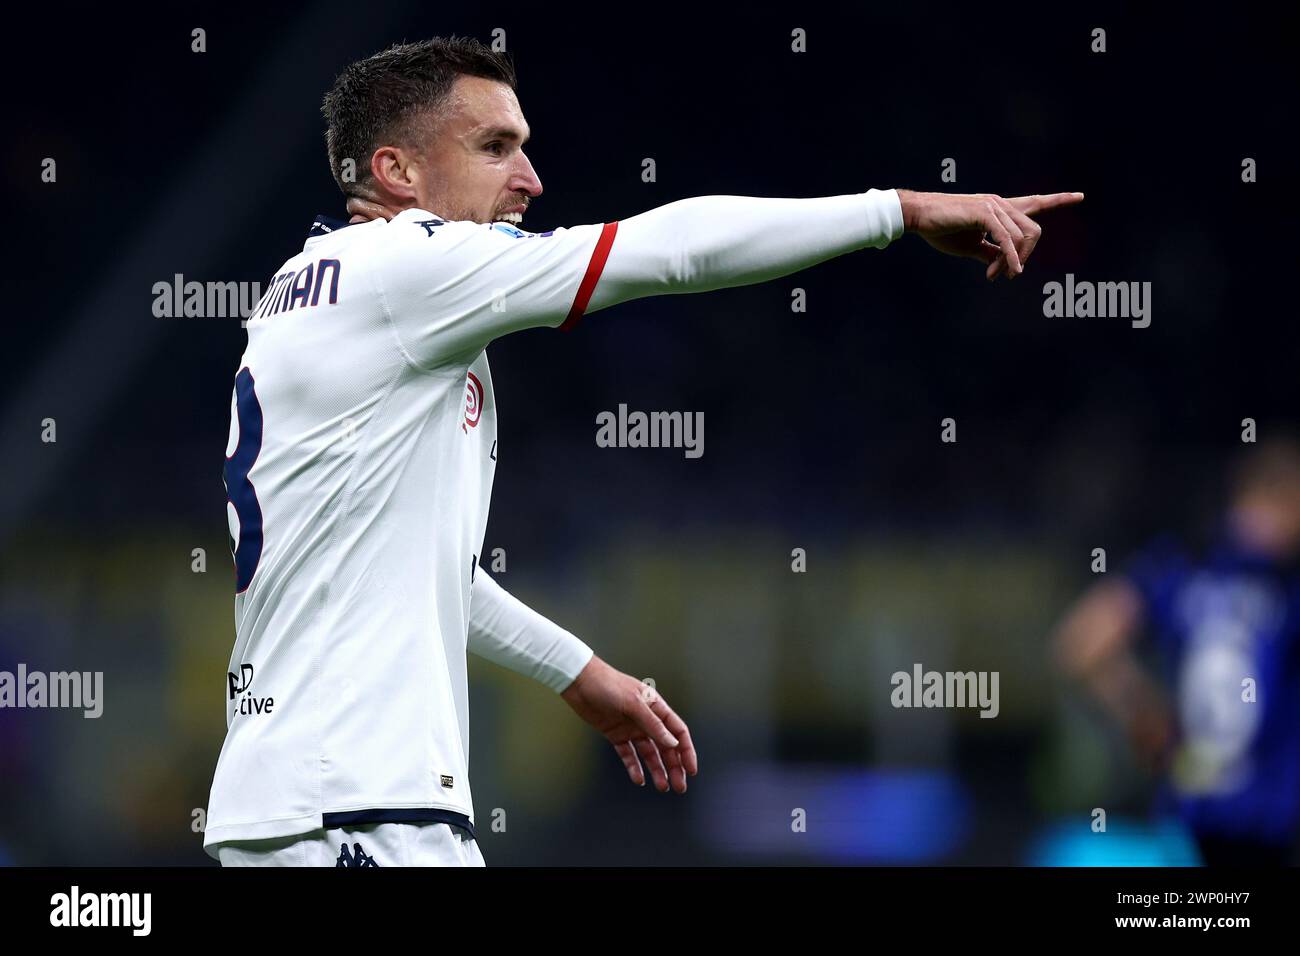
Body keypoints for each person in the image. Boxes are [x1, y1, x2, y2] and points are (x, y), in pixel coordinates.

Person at [205, 35, 1083, 866]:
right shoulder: (404, 271)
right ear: (396, 170)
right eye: (495, 147)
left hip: (311, 794)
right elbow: (668, 251)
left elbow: (417, 568)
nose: (531, 179)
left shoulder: (318, 292)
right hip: (358, 800)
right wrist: (896, 210)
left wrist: (579, 671)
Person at [1054, 440, 1300, 865]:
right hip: (1264, 816)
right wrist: (1146, 714)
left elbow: (1080, 642)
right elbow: (1081, 642)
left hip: (1196, 809)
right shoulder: (1270, 578)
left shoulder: (1184, 563)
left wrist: (1143, 713)